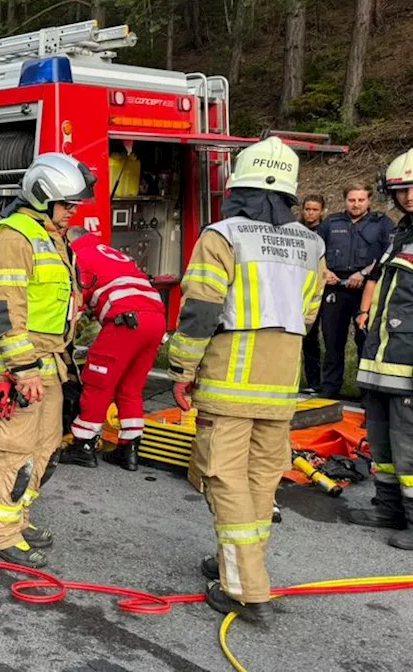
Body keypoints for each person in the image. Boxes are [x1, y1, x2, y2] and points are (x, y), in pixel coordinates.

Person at [168, 137, 326, 621]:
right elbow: (311, 312)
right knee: (261, 480)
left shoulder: (223, 236)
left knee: (224, 477)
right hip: (281, 385)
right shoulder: (312, 242)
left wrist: (182, 369)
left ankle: (244, 587)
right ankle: (237, 563)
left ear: (238, 186)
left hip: (231, 379)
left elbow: (200, 311)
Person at [0, 153, 90, 567]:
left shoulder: (52, 237)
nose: (73, 213)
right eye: (68, 205)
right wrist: (21, 370)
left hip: (49, 361)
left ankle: (18, 518)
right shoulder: (13, 236)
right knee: (14, 448)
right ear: (43, 198)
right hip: (17, 364)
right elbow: (4, 306)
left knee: (45, 447)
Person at [57, 227, 165, 470]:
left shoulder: (77, 254)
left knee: (98, 381)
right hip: (156, 318)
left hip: (125, 321)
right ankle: (129, 448)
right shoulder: (108, 251)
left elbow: (76, 301)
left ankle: (83, 444)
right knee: (130, 385)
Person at [350, 148, 413, 551]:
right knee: (383, 441)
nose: (408, 197)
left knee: (410, 446)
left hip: (408, 362)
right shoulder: (401, 232)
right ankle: (388, 507)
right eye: (402, 191)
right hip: (382, 361)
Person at [317, 182, 393, 398]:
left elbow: (387, 254)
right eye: (352, 200)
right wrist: (325, 272)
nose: (356, 204)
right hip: (335, 288)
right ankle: (329, 391)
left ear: (369, 200)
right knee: (332, 341)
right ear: (345, 201)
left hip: (366, 290)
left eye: (361, 200)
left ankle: (366, 394)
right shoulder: (331, 223)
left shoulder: (382, 224)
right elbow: (317, 251)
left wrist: (363, 274)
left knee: (364, 341)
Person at [298, 194, 326, 393]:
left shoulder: (326, 232)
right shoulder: (294, 231)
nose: (310, 213)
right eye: (307, 209)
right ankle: (309, 382)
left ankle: (320, 383)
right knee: (305, 338)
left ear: (322, 211)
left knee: (321, 338)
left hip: (324, 288)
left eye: (315, 209)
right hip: (301, 290)